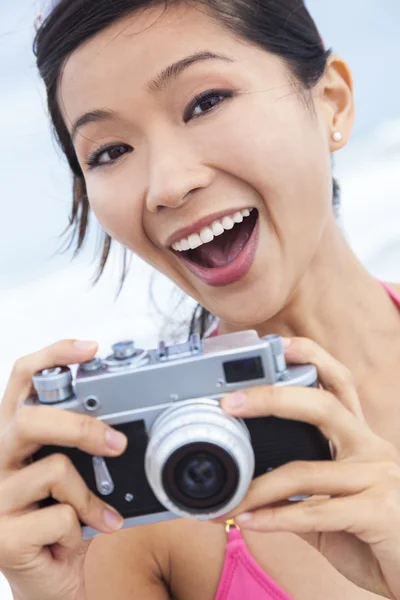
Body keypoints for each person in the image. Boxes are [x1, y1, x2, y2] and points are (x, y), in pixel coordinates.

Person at [1, 1, 400, 599]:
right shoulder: (126, 506)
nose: (167, 184)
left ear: (331, 102)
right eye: (109, 151)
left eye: (205, 102)